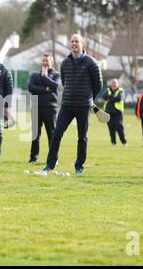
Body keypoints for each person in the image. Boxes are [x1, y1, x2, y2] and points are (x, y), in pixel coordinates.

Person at [37, 34, 102, 176]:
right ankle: (50, 165)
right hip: (67, 105)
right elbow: (65, 82)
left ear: (82, 44)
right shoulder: (65, 62)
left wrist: (90, 97)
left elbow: (98, 83)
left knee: (82, 137)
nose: (74, 44)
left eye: (76, 41)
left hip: (83, 106)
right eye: (72, 41)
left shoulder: (91, 62)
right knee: (56, 133)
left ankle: (79, 167)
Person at [27, 54, 60, 163]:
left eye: (47, 61)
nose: (45, 63)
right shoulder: (35, 75)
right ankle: (33, 158)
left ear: (51, 62)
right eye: (43, 61)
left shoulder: (56, 75)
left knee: (51, 134)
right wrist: (46, 89)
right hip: (36, 107)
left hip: (50, 108)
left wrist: (45, 77)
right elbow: (31, 87)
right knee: (35, 134)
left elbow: (55, 86)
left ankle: (53, 158)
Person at [102, 78, 127, 146]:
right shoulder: (108, 90)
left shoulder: (121, 91)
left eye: (115, 85)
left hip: (118, 113)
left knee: (119, 128)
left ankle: (124, 142)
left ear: (117, 85)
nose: (113, 86)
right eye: (112, 84)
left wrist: (109, 98)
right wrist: (112, 98)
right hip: (108, 113)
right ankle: (113, 143)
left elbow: (119, 99)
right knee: (111, 128)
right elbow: (104, 96)